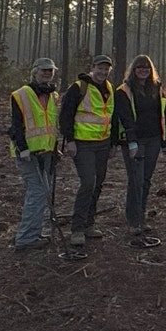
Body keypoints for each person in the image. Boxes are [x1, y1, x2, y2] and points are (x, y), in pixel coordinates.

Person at [58, 55, 117, 247]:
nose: (103, 72)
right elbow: (66, 115)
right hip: (83, 144)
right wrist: (70, 141)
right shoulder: (79, 87)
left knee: (98, 183)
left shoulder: (109, 88)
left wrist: (113, 143)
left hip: (103, 144)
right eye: (99, 68)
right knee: (88, 183)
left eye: (106, 69)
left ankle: (89, 224)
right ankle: (77, 228)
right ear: (92, 68)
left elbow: (111, 117)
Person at [117, 54, 166, 241]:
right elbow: (125, 118)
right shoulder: (124, 90)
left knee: (146, 179)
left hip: (154, 139)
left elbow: (163, 114)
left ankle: (141, 217)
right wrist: (131, 142)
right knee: (136, 180)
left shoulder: (156, 88)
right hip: (135, 142)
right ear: (133, 70)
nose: (143, 70)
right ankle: (133, 221)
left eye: (146, 68)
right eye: (139, 67)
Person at [8, 58, 60, 252]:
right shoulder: (21, 95)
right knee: (37, 193)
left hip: (47, 152)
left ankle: (34, 233)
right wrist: (23, 148)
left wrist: (55, 148)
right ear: (35, 72)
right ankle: (25, 239)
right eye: (44, 71)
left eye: (51, 71)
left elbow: (51, 125)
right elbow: (16, 125)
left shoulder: (53, 95)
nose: (47, 73)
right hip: (28, 154)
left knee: (43, 194)